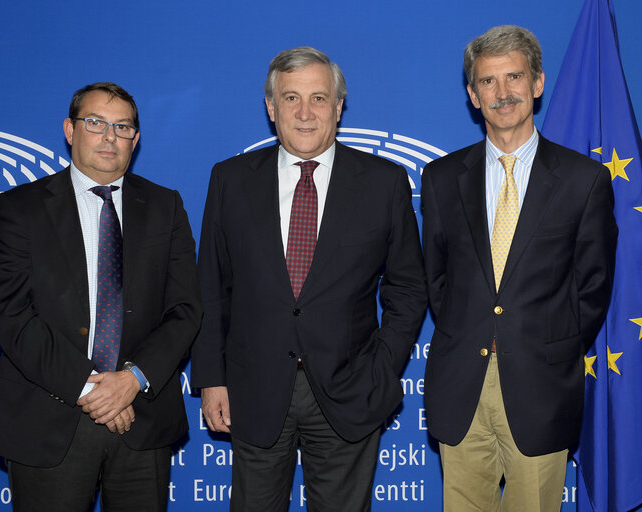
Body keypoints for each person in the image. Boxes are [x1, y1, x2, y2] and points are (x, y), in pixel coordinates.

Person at [191, 46, 427, 511]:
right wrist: (212, 379)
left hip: (350, 388)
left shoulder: (384, 181)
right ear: (270, 107)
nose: (304, 113)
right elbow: (211, 287)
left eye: (318, 98)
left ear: (339, 107)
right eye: (291, 98)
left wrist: (381, 368)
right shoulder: (231, 180)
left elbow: (408, 287)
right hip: (252, 391)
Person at [0, 82, 202, 511]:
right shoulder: (21, 208)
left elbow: (185, 310)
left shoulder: (165, 207)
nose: (109, 137)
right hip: (48, 416)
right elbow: (10, 315)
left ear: (135, 140)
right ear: (70, 129)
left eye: (122, 127)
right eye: (96, 122)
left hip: (142, 419)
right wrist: (92, 389)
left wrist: (131, 381)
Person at [421, 25, 618, 511]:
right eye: (488, 82)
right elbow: (437, 280)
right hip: (460, 387)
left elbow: (592, 287)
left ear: (538, 83)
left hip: (541, 387)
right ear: (472, 95)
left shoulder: (583, 180)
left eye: (514, 77)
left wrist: (547, 344)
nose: (503, 92)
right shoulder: (442, 178)